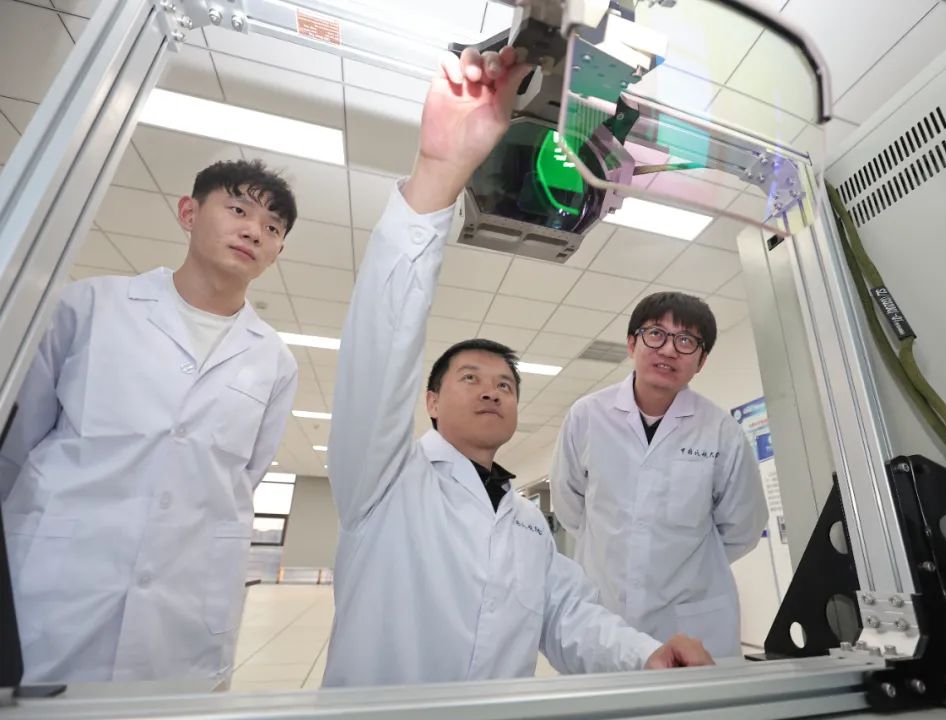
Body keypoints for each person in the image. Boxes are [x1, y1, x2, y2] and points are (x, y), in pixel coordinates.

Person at [323, 46, 714, 688]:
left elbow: (570, 619)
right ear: (430, 401)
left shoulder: (527, 523)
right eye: (470, 379)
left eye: (505, 384)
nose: (492, 392)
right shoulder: (385, 481)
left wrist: (645, 655)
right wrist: (437, 176)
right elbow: (380, 350)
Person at [0, 159, 299, 684]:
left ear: (277, 251)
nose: (255, 231)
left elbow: (243, 475)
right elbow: (16, 448)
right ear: (189, 213)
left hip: (184, 601)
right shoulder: (89, 306)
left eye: (273, 227)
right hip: (59, 584)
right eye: (238, 210)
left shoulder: (273, 360)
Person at [550, 292, 768, 659]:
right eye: (655, 334)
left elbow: (743, 527)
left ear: (701, 361)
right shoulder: (587, 416)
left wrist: (682, 565)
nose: (668, 350)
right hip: (606, 612)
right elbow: (569, 505)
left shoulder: (720, 430)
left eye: (686, 341)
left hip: (691, 617)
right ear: (631, 343)